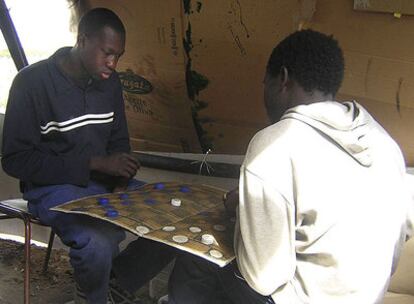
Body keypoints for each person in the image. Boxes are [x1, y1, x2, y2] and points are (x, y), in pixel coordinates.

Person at [166, 30, 414, 304]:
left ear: (282, 79)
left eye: (265, 83)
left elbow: (264, 278)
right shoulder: (385, 143)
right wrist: (250, 207)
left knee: (199, 250)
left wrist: (243, 217)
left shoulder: (274, 144)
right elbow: (391, 257)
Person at [1, 7, 174, 304]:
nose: (113, 62)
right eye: (107, 52)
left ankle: (116, 284)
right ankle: (92, 296)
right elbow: (15, 159)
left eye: (118, 55)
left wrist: (121, 176)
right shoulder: (32, 83)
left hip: (104, 184)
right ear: (82, 40)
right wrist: (93, 163)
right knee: (97, 240)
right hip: (51, 188)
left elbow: (119, 141)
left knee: (173, 218)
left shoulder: (110, 82)